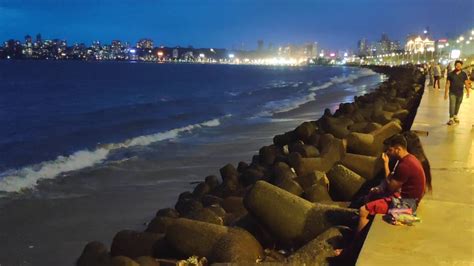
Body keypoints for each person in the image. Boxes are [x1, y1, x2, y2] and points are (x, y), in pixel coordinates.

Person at [357, 134, 426, 236]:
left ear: (398, 149)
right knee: (370, 196)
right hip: (409, 198)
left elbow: (390, 188)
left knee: (363, 211)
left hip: (406, 204)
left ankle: (354, 246)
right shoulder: (409, 159)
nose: (387, 153)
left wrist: (385, 164)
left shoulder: (405, 165)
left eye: (390, 150)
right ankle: (364, 226)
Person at [445, 60, 471, 125]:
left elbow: (466, 83)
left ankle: (455, 116)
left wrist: (468, 92)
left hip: (460, 93)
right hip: (452, 92)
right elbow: (448, 84)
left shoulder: (464, 74)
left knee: (458, 105)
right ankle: (451, 118)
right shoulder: (450, 74)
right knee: (452, 105)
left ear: (461, 66)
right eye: (457, 65)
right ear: (455, 66)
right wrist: (446, 93)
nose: (458, 66)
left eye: (459, 65)